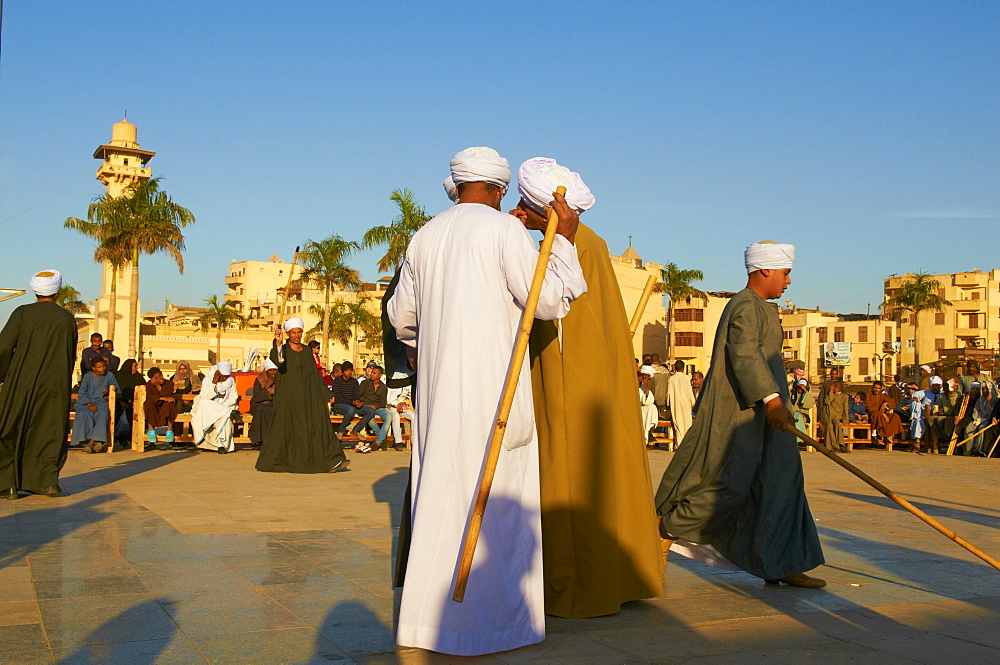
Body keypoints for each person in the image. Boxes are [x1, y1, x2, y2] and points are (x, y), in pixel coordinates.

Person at [386, 147, 586, 655]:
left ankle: (426, 626)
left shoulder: (424, 237)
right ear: (499, 190)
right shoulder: (504, 232)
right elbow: (547, 299)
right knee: (499, 505)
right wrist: (563, 240)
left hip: (437, 397)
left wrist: (429, 345)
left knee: (440, 498)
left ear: (455, 186)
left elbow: (402, 317)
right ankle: (493, 627)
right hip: (493, 394)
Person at [518, 157, 660, 618]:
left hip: (570, 374)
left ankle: (579, 584)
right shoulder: (590, 242)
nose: (519, 211)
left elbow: (557, 316)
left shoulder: (566, 243)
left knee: (570, 465)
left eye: (526, 205)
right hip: (597, 373)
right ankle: (619, 576)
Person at [654, 241, 826, 589]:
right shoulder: (746, 306)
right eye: (785, 273)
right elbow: (744, 354)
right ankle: (667, 528)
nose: (788, 282)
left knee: (782, 485)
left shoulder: (763, 307)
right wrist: (772, 400)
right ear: (764, 271)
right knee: (729, 484)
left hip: (770, 418)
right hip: (742, 415)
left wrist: (778, 406)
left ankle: (782, 561)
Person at [0, 271, 77, 498]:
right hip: (55, 385)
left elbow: (4, 347)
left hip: (20, 381)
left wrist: (3, 374)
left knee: (9, 427)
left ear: (35, 289)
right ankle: (46, 482)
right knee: (49, 430)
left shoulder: (22, 313)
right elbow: (70, 356)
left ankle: (7, 485)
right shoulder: (66, 319)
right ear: (57, 290)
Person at [255, 318, 350, 473]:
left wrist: (326, 392)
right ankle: (290, 462)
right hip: (289, 398)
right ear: (287, 334)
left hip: (308, 397)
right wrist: (278, 343)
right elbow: (278, 361)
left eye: (299, 332)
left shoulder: (306, 351)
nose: (297, 335)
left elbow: (314, 374)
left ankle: (332, 460)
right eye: (293, 332)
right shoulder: (283, 350)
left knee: (320, 424)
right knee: (290, 427)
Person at [72, 356, 120, 454]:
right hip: (87, 402)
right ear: (94, 368)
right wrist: (89, 404)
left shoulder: (109, 375)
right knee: (83, 412)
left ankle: (91, 443)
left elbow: (117, 389)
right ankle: (94, 441)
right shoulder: (88, 376)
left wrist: (109, 390)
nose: (102, 369)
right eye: (99, 367)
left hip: (102, 401)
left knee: (102, 413)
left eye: (103, 366)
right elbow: (82, 393)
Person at [191, 361, 239, 454]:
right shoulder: (208, 380)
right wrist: (214, 383)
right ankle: (228, 411)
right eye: (222, 376)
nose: (224, 378)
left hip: (223, 407)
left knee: (225, 419)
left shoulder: (231, 381)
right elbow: (205, 397)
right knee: (204, 402)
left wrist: (220, 408)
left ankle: (222, 445)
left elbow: (233, 397)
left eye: (226, 376)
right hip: (207, 409)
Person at [330, 361, 367, 441]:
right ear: (343, 371)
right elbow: (338, 398)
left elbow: (356, 395)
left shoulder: (354, 381)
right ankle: (341, 431)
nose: (349, 372)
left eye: (351, 370)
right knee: (350, 410)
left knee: (370, 410)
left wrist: (358, 401)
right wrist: (352, 402)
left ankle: (355, 431)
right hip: (339, 405)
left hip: (352, 404)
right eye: (347, 370)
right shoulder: (337, 381)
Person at [358, 365, 390, 452]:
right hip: (366, 406)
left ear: (380, 375)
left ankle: (379, 441)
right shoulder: (365, 383)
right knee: (369, 417)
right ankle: (382, 440)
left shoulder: (383, 387)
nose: (371, 374)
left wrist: (376, 406)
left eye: (374, 373)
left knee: (388, 417)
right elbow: (358, 395)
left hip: (378, 407)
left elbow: (383, 402)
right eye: (371, 372)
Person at [113, 359, 146, 445]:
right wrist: (120, 401)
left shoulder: (138, 377)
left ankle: (133, 438)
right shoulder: (118, 376)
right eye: (135, 366)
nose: (136, 368)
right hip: (118, 402)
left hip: (134, 403)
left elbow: (143, 389)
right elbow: (115, 390)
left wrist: (135, 401)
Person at [143, 367, 178, 448]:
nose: (160, 378)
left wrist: (158, 385)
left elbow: (168, 395)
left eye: (160, 375)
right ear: (152, 379)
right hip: (155, 407)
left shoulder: (169, 383)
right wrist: (162, 398)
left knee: (170, 404)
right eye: (156, 377)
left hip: (165, 407)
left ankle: (169, 429)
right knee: (148, 403)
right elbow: (149, 396)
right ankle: (150, 429)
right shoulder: (149, 384)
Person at [667, 360, 696, 449]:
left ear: (675, 368)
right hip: (686, 403)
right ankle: (686, 445)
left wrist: (668, 403)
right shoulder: (686, 378)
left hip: (676, 404)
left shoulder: (671, 379)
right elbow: (689, 392)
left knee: (678, 424)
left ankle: (679, 445)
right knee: (687, 424)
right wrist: (693, 403)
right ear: (683, 369)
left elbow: (669, 393)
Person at [248, 359, 278, 449]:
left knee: (266, 410)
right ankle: (258, 439)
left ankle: (267, 440)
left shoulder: (281, 379)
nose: (273, 372)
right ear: (266, 370)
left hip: (274, 404)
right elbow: (257, 397)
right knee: (261, 409)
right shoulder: (260, 379)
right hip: (259, 404)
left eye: (275, 370)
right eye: (270, 370)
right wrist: (267, 386)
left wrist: (268, 392)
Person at [865, 381, 904, 446]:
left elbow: (893, 402)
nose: (876, 390)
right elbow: (869, 407)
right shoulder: (868, 394)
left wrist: (886, 403)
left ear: (881, 389)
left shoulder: (882, 396)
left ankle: (887, 435)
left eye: (878, 388)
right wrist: (882, 414)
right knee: (877, 414)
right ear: (872, 387)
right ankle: (874, 434)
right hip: (872, 415)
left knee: (895, 416)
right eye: (875, 388)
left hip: (881, 415)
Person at [820, 380, 849, 453]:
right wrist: (831, 392)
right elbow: (827, 401)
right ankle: (834, 446)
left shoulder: (844, 397)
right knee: (829, 426)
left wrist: (845, 419)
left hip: (837, 416)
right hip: (827, 415)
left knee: (837, 425)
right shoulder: (829, 394)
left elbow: (845, 409)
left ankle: (841, 444)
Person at [639, 366, 659, 446]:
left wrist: (646, 386)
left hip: (648, 408)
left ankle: (649, 433)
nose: (647, 377)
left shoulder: (648, 384)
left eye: (648, 376)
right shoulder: (640, 385)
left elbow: (649, 398)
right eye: (645, 375)